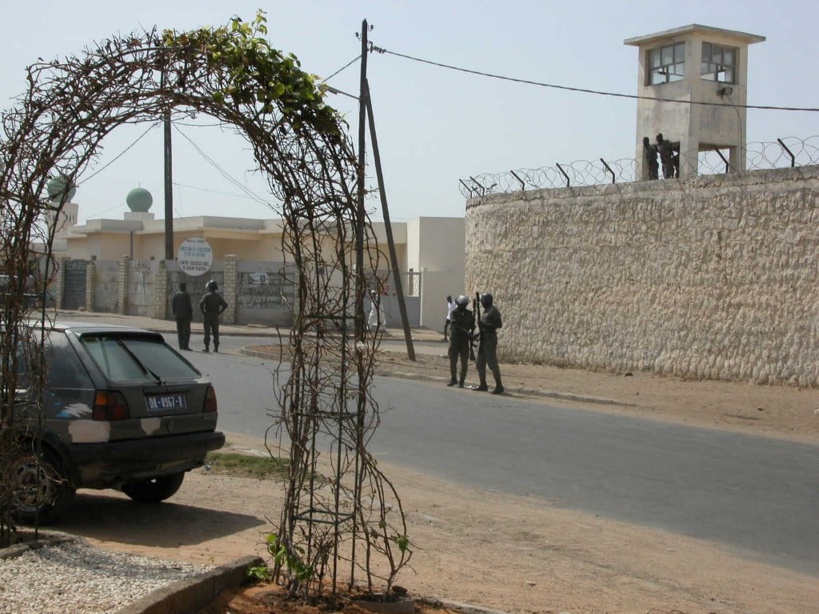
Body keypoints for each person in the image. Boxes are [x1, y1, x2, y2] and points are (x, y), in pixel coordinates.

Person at [474, 292, 504, 394]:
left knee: (492, 363)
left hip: (490, 339)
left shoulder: (493, 310)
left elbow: (499, 324)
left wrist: (485, 325)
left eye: (482, 301)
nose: (482, 303)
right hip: (482, 338)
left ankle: (499, 385)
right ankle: (483, 384)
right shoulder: (485, 311)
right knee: (479, 363)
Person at [447, 295, 475, 388]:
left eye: (465, 304)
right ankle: (453, 378)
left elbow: (472, 325)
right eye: (462, 304)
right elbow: (454, 324)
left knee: (464, 362)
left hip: (464, 340)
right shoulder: (454, 313)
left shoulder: (469, 314)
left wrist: (471, 330)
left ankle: (462, 381)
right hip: (455, 339)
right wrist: (466, 331)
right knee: (453, 360)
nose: (463, 306)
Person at [199, 279, 228, 353]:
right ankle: (216, 348)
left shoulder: (207, 296)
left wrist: (203, 312)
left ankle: (207, 347)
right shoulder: (218, 296)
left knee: (207, 331)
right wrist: (219, 312)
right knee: (215, 332)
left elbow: (201, 304)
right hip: (215, 316)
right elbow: (225, 305)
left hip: (208, 315)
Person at [171, 282, 193, 350]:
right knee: (186, 331)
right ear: (184, 287)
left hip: (178, 315)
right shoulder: (186, 295)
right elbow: (189, 306)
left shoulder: (176, 295)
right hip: (185, 316)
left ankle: (180, 345)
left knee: (179, 331)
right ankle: (185, 345)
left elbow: (173, 305)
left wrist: (175, 313)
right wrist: (190, 315)